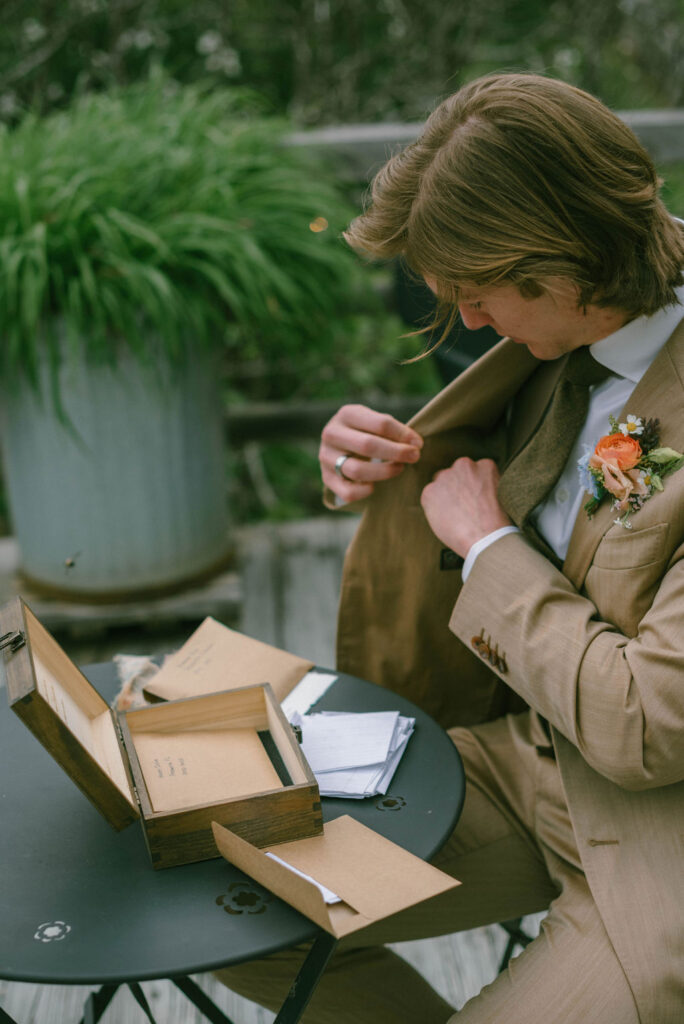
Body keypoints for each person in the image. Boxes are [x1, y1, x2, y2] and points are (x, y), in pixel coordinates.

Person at [216, 73, 684, 1022]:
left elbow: (649, 725)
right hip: (526, 760)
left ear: (563, 261)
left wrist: (490, 545)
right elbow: (516, 486)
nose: (467, 324)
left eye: (474, 293)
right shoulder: (562, 349)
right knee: (239, 906)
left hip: (657, 840)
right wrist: (380, 466)